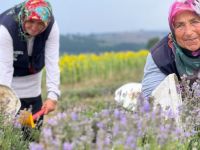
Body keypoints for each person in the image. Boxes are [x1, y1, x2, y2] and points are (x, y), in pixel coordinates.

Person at [0, 0, 60, 127]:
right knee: (10, 137)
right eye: (31, 21)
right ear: (23, 17)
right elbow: (4, 69)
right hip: (10, 87)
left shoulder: (51, 26)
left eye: (40, 24)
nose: (34, 27)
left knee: (32, 134)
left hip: (33, 89)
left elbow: (52, 62)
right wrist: (4, 104)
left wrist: (53, 95)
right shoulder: (5, 29)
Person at [141, 0, 200, 98]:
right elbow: (152, 103)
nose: (188, 32)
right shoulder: (160, 56)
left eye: (194, 22)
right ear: (172, 29)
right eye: (180, 25)